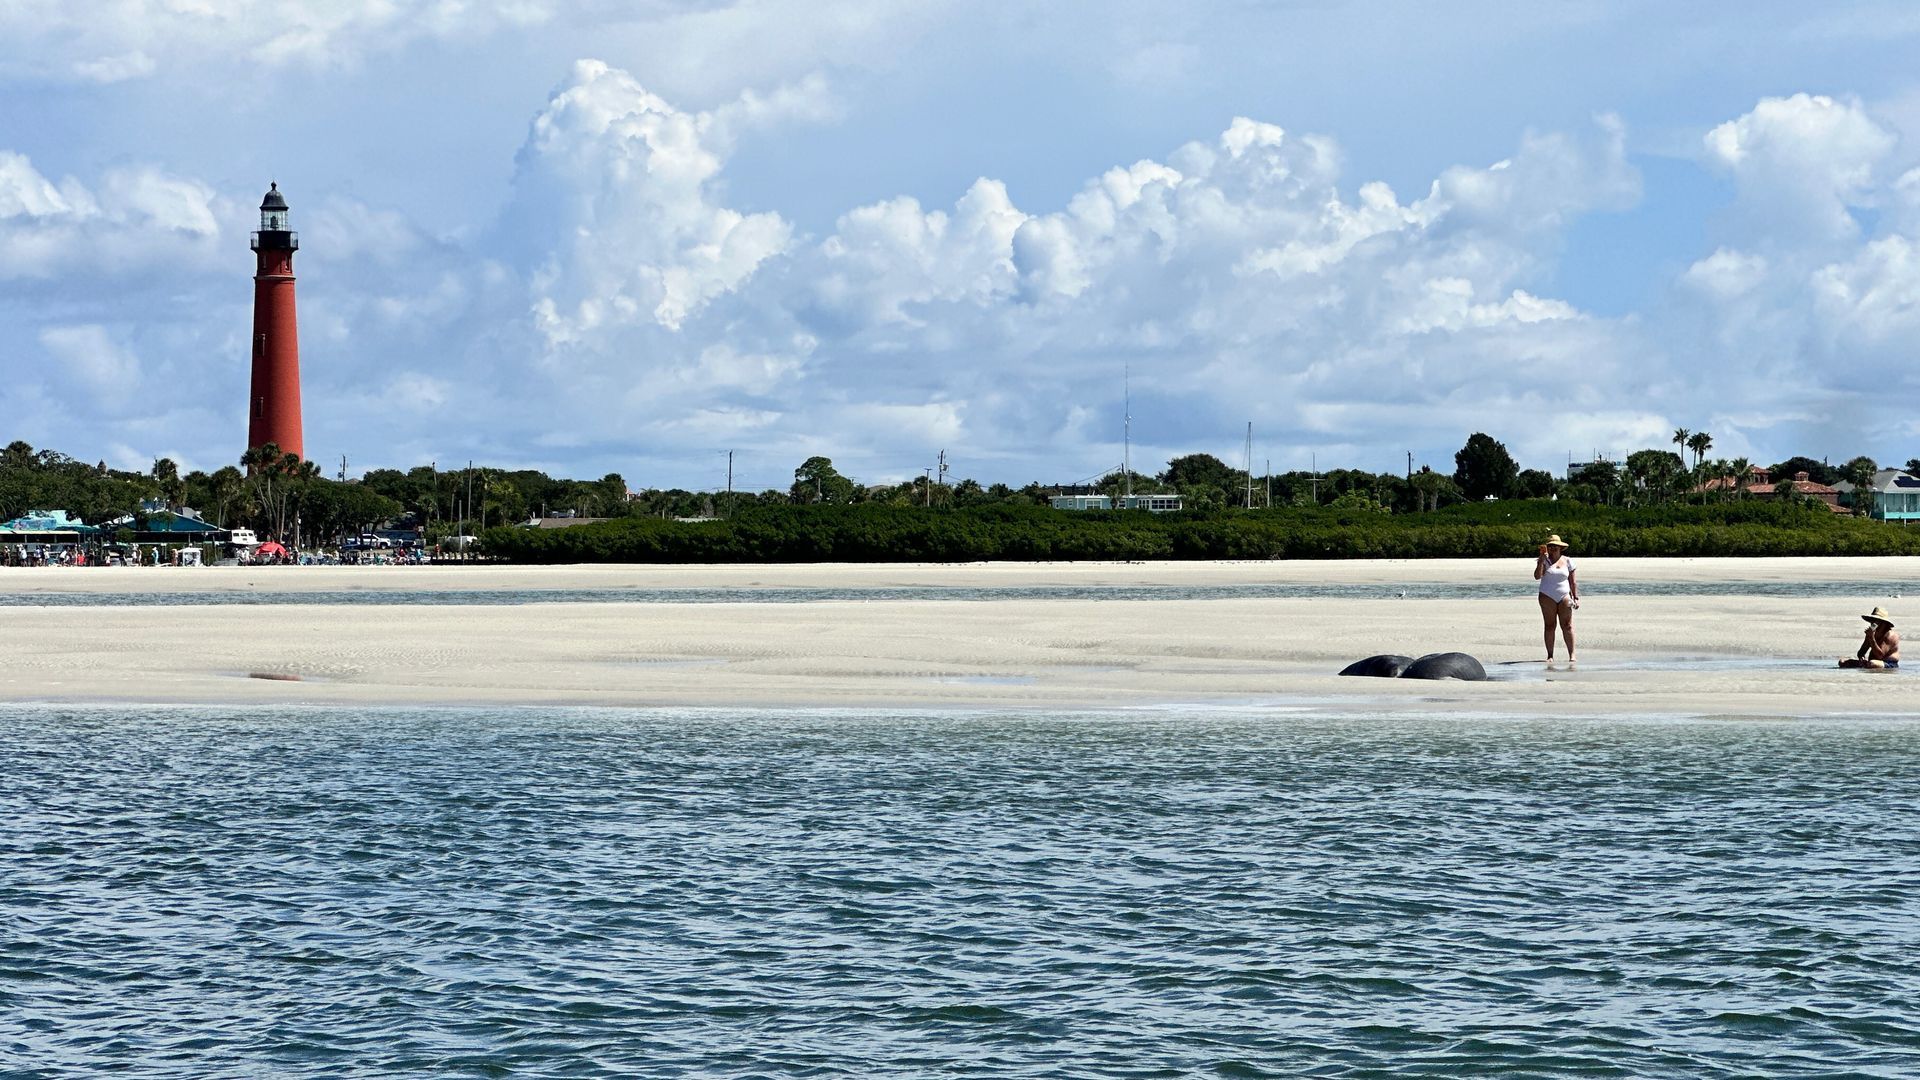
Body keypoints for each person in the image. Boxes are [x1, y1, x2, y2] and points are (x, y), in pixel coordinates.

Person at [1533, 534, 1578, 662]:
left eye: (1555, 546)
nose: (1552, 549)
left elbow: (1573, 582)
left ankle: (1572, 655)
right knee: (1550, 625)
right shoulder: (1544, 561)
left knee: (1567, 625)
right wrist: (1541, 560)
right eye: (1550, 546)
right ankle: (1550, 655)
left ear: (1560, 548)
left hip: (1564, 596)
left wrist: (1576, 597)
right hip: (1547, 596)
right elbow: (1537, 576)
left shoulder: (1568, 561)